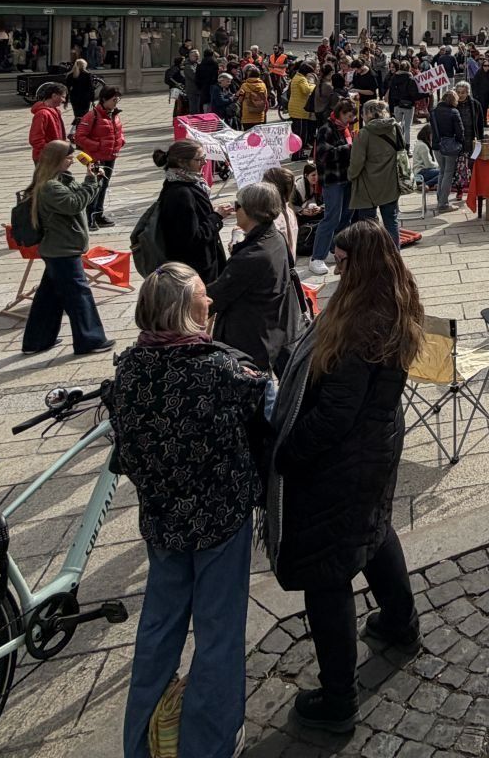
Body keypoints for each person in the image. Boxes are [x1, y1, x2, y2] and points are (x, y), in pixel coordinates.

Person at [107, 263, 272, 758]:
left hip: (161, 518)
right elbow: (270, 403)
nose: (210, 303)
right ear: (183, 310)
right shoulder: (218, 368)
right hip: (219, 517)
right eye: (202, 296)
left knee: (158, 628)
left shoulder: (129, 369)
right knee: (219, 631)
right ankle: (211, 743)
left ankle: (138, 743)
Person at [267, 221, 423, 734]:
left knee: (328, 572)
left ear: (359, 262)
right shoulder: (395, 298)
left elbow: (336, 413)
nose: (334, 266)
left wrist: (287, 452)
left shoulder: (361, 324)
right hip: (377, 448)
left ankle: (339, 698)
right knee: (374, 532)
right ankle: (400, 623)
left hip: (345, 459)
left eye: (340, 259)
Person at [19, 140, 112, 356]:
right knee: (79, 296)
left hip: (59, 248)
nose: (72, 160)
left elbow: (79, 196)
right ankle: (90, 340)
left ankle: (37, 340)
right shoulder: (50, 186)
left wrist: (92, 179)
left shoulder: (58, 180)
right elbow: (74, 204)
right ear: (56, 160)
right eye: (68, 157)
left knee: (48, 298)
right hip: (62, 250)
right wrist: (90, 181)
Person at [206, 182, 307, 374]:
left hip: (251, 343)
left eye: (238, 205)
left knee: (261, 396)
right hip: (273, 331)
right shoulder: (274, 237)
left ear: (249, 210)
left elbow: (215, 297)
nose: (235, 210)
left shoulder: (252, 256)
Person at [153, 139, 230, 282]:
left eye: (204, 158)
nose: (205, 163)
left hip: (200, 264)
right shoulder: (181, 193)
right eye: (199, 159)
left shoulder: (186, 181)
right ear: (182, 162)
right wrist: (216, 217)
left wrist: (208, 212)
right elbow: (192, 238)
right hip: (197, 269)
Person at [306, 98, 357, 275]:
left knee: (345, 217)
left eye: (351, 117)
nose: (349, 120)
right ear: (340, 113)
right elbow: (323, 154)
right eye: (347, 116)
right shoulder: (326, 129)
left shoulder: (346, 129)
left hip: (346, 178)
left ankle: (335, 250)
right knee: (331, 218)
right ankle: (317, 257)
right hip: (333, 179)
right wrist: (349, 148)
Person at [346, 98, 407, 243]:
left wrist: (350, 176)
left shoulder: (364, 134)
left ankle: (372, 258)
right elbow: (402, 148)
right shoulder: (395, 127)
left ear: (367, 114)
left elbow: (356, 162)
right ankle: (394, 257)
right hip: (390, 182)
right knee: (391, 222)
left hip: (368, 186)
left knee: (368, 226)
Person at [69, 86, 126, 228]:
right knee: (94, 186)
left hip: (110, 156)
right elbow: (79, 137)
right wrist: (97, 146)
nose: (116, 102)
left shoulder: (114, 114)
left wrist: (121, 142)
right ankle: (90, 217)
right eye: (114, 99)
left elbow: (119, 131)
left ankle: (99, 215)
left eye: (118, 99)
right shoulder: (91, 115)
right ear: (104, 99)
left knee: (104, 186)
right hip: (96, 158)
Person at [430, 78, 468, 214]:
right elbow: (460, 131)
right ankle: (443, 204)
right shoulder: (454, 112)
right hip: (449, 146)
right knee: (448, 173)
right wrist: (460, 143)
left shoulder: (433, 111)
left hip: (436, 145)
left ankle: (440, 199)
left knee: (441, 171)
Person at [28, 82, 69, 160]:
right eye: (63, 97)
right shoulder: (42, 114)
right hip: (46, 157)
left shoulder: (55, 111)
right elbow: (36, 139)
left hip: (56, 155)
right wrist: (49, 152)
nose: (64, 100)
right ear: (54, 96)